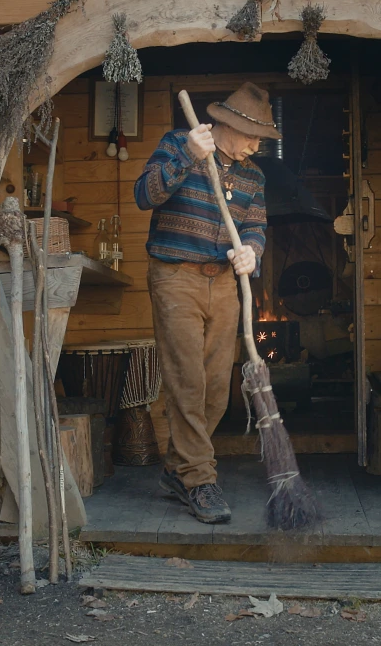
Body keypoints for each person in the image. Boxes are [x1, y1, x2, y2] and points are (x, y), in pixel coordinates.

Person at [133, 82, 279, 523]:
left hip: (224, 285)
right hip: (176, 277)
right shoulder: (180, 143)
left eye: (261, 139)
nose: (256, 146)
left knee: (216, 390)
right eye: (253, 136)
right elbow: (145, 195)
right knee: (187, 382)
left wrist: (251, 252)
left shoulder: (253, 176)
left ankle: (177, 471)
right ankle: (199, 479)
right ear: (227, 125)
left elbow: (255, 227)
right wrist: (188, 156)